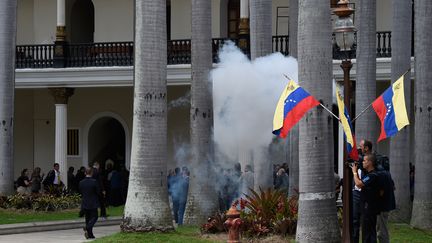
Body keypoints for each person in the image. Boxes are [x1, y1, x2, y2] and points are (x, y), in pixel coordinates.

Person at [352, 153, 380, 243]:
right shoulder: (370, 174)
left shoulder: (372, 175)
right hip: (368, 206)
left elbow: (359, 184)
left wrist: (354, 172)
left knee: (368, 231)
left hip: (369, 207)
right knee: (368, 230)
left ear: (370, 163)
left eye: (364, 161)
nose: (362, 162)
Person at [79, 167, 101, 239]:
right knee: (95, 217)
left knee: (87, 219)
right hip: (93, 202)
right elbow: (98, 192)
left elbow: (80, 192)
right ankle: (87, 227)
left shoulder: (81, 182)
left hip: (85, 202)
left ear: (85, 173)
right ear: (91, 173)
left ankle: (90, 235)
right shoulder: (94, 181)